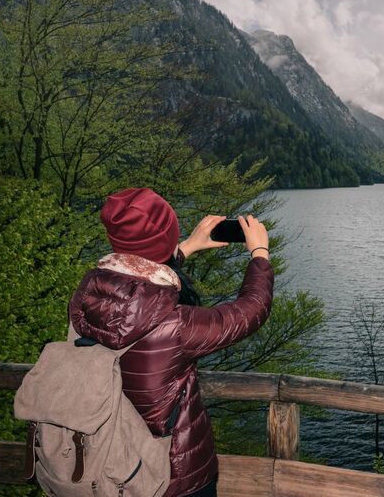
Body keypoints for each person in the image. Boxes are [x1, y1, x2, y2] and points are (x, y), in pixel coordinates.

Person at [68, 188, 274, 497]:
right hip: (172, 476)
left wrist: (185, 248)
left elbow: (137, 280)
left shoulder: (88, 296)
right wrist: (260, 255)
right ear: (168, 234)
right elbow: (249, 311)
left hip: (106, 462)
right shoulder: (175, 324)